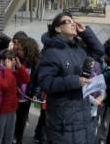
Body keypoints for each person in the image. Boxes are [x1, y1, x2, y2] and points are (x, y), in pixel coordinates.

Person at [38, 12, 104, 144]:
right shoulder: (51, 52)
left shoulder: (79, 47)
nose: (72, 23)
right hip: (64, 119)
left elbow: (99, 51)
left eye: (73, 20)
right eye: (67, 21)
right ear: (58, 28)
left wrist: (85, 32)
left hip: (82, 113)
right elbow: (46, 82)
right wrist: (75, 81)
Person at [0, 50, 30, 144]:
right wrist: (8, 69)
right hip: (1, 110)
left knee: (8, 137)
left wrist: (20, 67)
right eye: (9, 59)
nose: (12, 62)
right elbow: (5, 86)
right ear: (3, 60)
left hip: (12, 109)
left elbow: (26, 79)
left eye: (13, 59)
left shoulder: (12, 73)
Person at [14, 37, 40, 144]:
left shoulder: (36, 62)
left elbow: (37, 80)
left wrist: (35, 93)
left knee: (22, 119)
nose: (18, 52)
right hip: (15, 94)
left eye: (21, 50)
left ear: (28, 50)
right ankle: (13, 137)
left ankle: (19, 138)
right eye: (18, 49)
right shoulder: (16, 59)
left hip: (26, 96)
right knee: (14, 119)